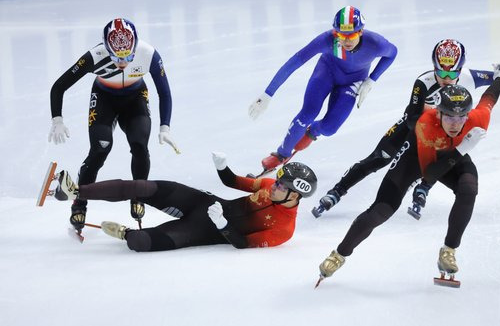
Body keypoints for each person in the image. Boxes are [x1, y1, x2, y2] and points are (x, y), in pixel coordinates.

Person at [316, 64, 500, 283]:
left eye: (461, 118)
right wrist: (462, 149)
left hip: (451, 155)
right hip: (416, 159)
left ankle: (448, 251)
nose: (456, 124)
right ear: (438, 112)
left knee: (469, 187)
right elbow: (429, 174)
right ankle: (339, 254)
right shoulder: (426, 124)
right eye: (449, 117)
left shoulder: (476, 119)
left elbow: (489, 99)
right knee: (380, 211)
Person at [313, 39, 500, 215]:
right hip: (414, 126)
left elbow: (496, 77)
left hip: (443, 129)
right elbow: (411, 117)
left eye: (451, 73)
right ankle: (337, 190)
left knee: (443, 156)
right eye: (440, 71)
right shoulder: (424, 82)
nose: (445, 77)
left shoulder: (471, 77)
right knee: (379, 159)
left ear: (460, 69)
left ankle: (423, 186)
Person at [48, 18, 179, 232]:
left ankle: (138, 195)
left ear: (135, 47)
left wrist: (165, 127)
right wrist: (57, 120)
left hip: (135, 99)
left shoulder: (149, 54)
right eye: (116, 57)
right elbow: (58, 87)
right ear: (106, 48)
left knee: (139, 146)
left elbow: (164, 92)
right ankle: (79, 203)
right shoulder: (94, 56)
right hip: (104, 99)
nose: (122, 63)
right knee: (100, 149)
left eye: (128, 56)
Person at [53, 152, 318, 251]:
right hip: (203, 203)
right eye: (278, 180)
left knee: (140, 242)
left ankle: (125, 234)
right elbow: (233, 183)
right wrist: (222, 168)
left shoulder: (284, 230)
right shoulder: (270, 185)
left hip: (206, 231)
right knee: (143, 187)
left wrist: (223, 224)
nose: (275, 186)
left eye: (282, 185)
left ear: (295, 195)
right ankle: (77, 191)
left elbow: (241, 244)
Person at [248, 6, 398, 172]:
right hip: (326, 73)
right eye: (341, 35)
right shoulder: (327, 40)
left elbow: (392, 53)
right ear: (335, 33)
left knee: (329, 128)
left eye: (352, 35)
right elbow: (294, 62)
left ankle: (312, 132)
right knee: (308, 113)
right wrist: (268, 94)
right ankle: (281, 154)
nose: (347, 41)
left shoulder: (376, 44)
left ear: (361, 31)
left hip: (352, 82)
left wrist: (371, 80)